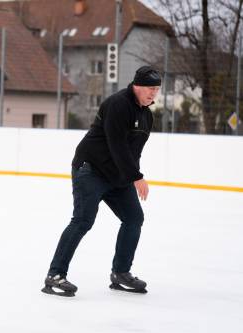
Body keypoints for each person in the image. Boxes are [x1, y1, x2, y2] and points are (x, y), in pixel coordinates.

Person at [42, 66, 161, 297]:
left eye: (156, 89)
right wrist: (136, 177)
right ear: (136, 85)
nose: (153, 93)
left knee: (134, 217)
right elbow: (116, 144)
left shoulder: (147, 115)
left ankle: (121, 273)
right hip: (91, 170)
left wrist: (131, 174)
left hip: (117, 176)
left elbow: (133, 152)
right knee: (83, 220)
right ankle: (54, 275)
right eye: (150, 88)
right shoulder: (117, 104)